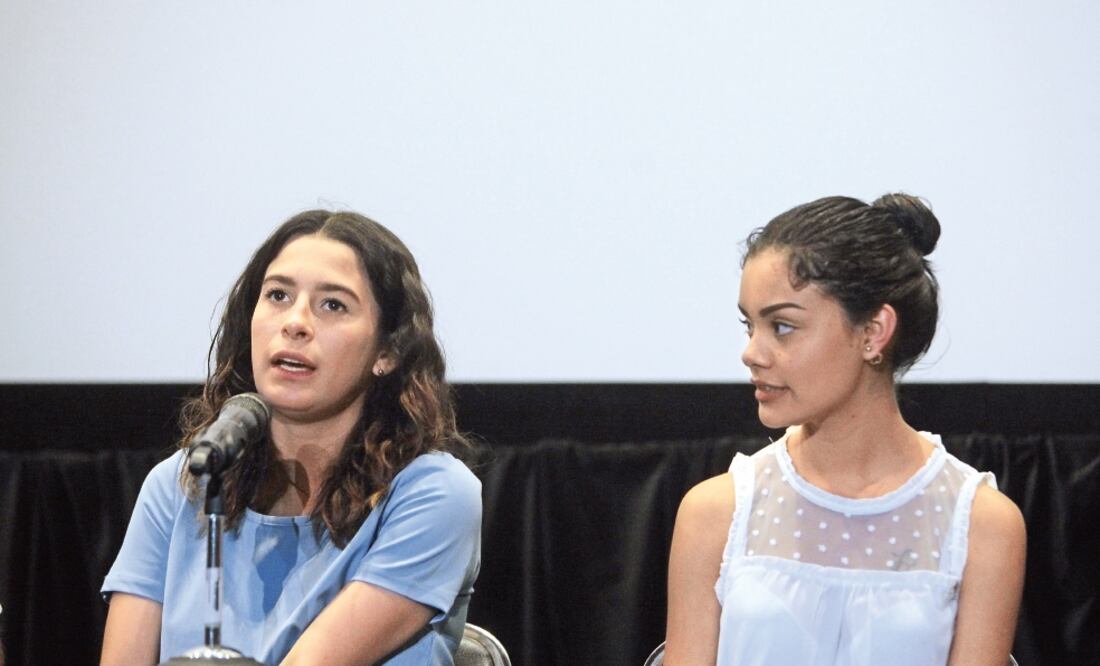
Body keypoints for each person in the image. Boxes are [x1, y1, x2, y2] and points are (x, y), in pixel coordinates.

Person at [100, 210, 482, 665]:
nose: (295, 322)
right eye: (278, 295)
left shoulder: (434, 494)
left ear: (388, 351)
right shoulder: (180, 485)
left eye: (333, 305)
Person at [665, 194, 1026, 665]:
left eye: (782, 326)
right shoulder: (716, 513)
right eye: (749, 325)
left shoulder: (980, 524)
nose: (752, 352)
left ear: (874, 332)